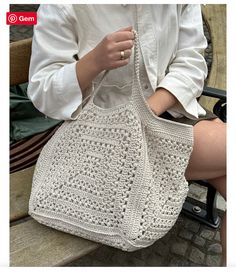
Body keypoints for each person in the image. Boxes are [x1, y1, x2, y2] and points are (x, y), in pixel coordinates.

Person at [27, 4, 226, 265]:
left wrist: (145, 112)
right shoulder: (63, 6)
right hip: (97, 135)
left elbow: (191, 61)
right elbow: (44, 93)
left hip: (169, 110)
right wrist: (93, 62)